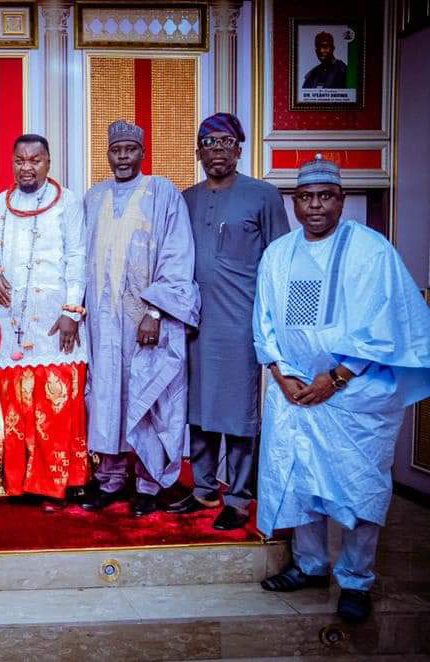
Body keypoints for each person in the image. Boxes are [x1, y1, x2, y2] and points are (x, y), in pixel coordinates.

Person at [254, 156, 430, 624]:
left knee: (360, 486)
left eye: (325, 196)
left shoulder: (372, 251)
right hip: (292, 391)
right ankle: (310, 566)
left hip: (355, 395)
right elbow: (265, 320)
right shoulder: (278, 253)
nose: (315, 206)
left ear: (342, 200)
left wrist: (335, 377)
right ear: (294, 203)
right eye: (306, 197)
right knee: (300, 477)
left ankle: (356, 580)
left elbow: (388, 323)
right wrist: (279, 372)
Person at [166, 113, 289, 530]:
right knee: (198, 409)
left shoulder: (263, 196)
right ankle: (202, 489)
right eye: (208, 143)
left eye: (225, 143)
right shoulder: (187, 198)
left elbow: (279, 262)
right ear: (198, 151)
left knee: (238, 412)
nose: (217, 151)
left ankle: (237, 496)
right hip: (194, 323)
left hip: (241, 322)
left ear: (239, 148)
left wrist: (275, 323)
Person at [82, 120, 199, 517]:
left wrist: (154, 311)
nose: (123, 158)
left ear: (142, 153)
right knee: (106, 395)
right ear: (108, 153)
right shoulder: (94, 198)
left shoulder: (163, 193)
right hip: (101, 322)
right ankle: (110, 480)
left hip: (146, 321)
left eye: (131, 150)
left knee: (149, 398)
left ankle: (148, 485)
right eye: (116, 151)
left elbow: (177, 255)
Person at [0, 134, 90, 510]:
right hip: (15, 321)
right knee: (18, 403)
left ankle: (60, 484)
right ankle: (22, 483)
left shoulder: (68, 202)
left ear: (48, 162)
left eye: (35, 160)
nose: (27, 167)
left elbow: (78, 255)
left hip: (57, 319)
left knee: (57, 403)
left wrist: (72, 310)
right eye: (20, 160)